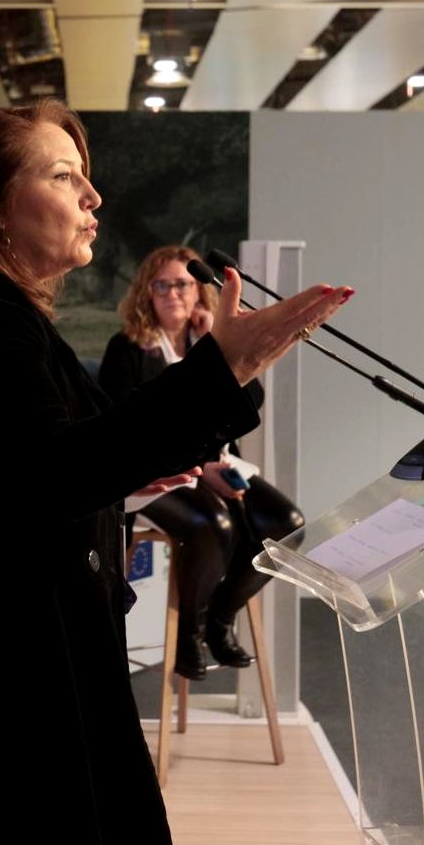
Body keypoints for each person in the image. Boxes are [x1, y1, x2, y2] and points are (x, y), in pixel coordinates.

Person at [0, 102, 352, 845]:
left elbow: (67, 453)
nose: (93, 197)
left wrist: (221, 375)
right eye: (62, 175)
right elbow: (61, 471)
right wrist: (224, 368)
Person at [100, 245, 306, 680]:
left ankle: (220, 617)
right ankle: (188, 636)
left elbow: (251, 403)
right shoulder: (128, 347)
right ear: (147, 294)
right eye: (162, 285)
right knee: (212, 526)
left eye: (182, 284)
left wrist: (218, 340)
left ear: (198, 292)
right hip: (150, 473)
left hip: (216, 463)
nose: (173, 293)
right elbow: (121, 424)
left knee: (286, 524)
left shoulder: (209, 339)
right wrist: (201, 466)